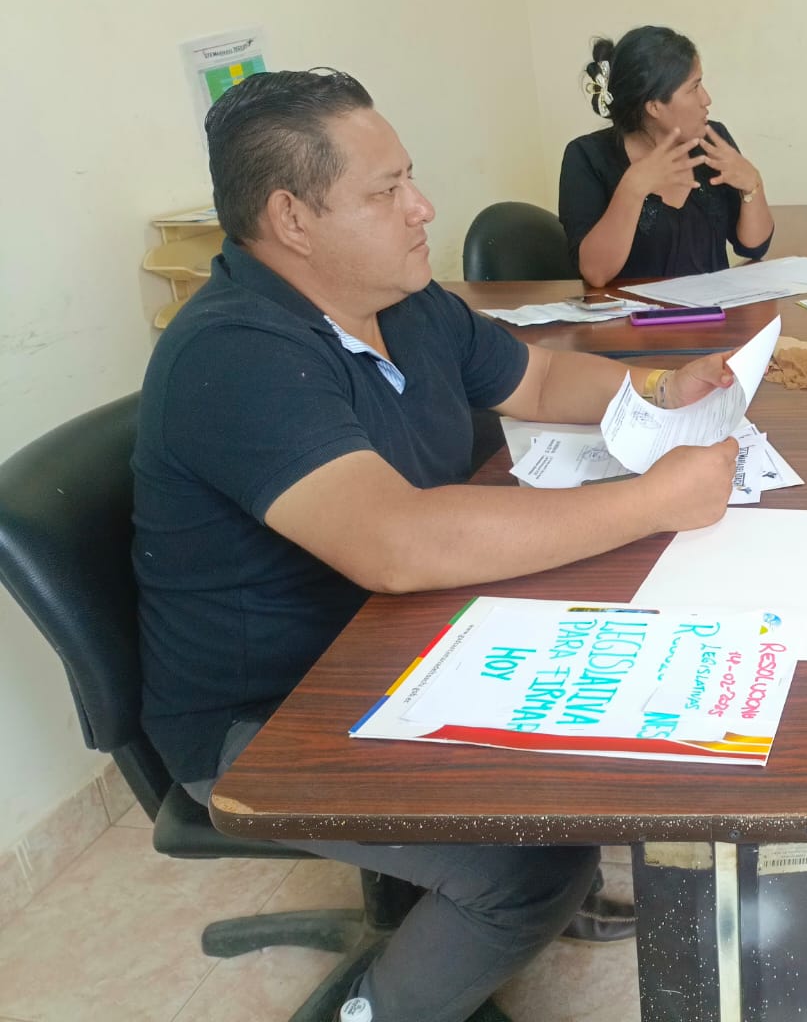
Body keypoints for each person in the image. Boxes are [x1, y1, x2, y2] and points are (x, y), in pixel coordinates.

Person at [134, 69, 741, 1022]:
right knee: (528, 866)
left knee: (618, 722)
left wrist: (663, 390)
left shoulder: (402, 298)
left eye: (408, 178)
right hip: (270, 714)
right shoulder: (237, 353)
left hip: (405, 636)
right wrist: (653, 501)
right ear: (292, 219)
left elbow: (538, 382)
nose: (421, 208)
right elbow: (397, 545)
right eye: (385, 192)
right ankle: (378, 1006)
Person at [558, 25, 774, 285]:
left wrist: (752, 184)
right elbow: (596, 273)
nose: (706, 99)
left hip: (713, 308)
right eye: (694, 88)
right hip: (631, 311)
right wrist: (633, 188)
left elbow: (753, 247)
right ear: (654, 106)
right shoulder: (587, 157)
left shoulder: (711, 139)